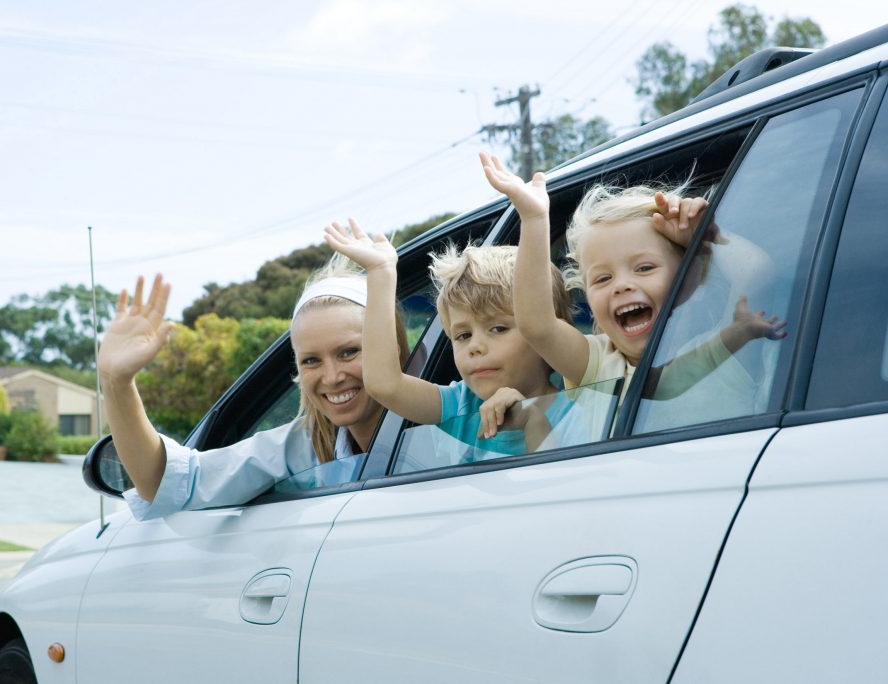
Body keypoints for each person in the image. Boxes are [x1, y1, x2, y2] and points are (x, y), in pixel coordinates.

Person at [480, 152, 786, 423]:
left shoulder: (728, 345)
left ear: (693, 275)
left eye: (644, 268)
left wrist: (706, 237)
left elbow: (757, 274)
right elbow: (537, 326)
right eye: (602, 279)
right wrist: (534, 219)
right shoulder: (598, 364)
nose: (622, 286)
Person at [97, 258, 407, 520]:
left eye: (349, 352)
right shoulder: (302, 447)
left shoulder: (446, 415)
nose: (332, 376)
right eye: (311, 360)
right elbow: (171, 482)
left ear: (390, 346)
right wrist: (116, 383)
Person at [324, 219, 585, 458]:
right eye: (462, 335)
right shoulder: (460, 404)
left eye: (498, 329)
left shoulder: (580, 405)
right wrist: (381, 273)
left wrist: (532, 420)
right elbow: (384, 384)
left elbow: (554, 490)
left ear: (545, 331)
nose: (475, 346)